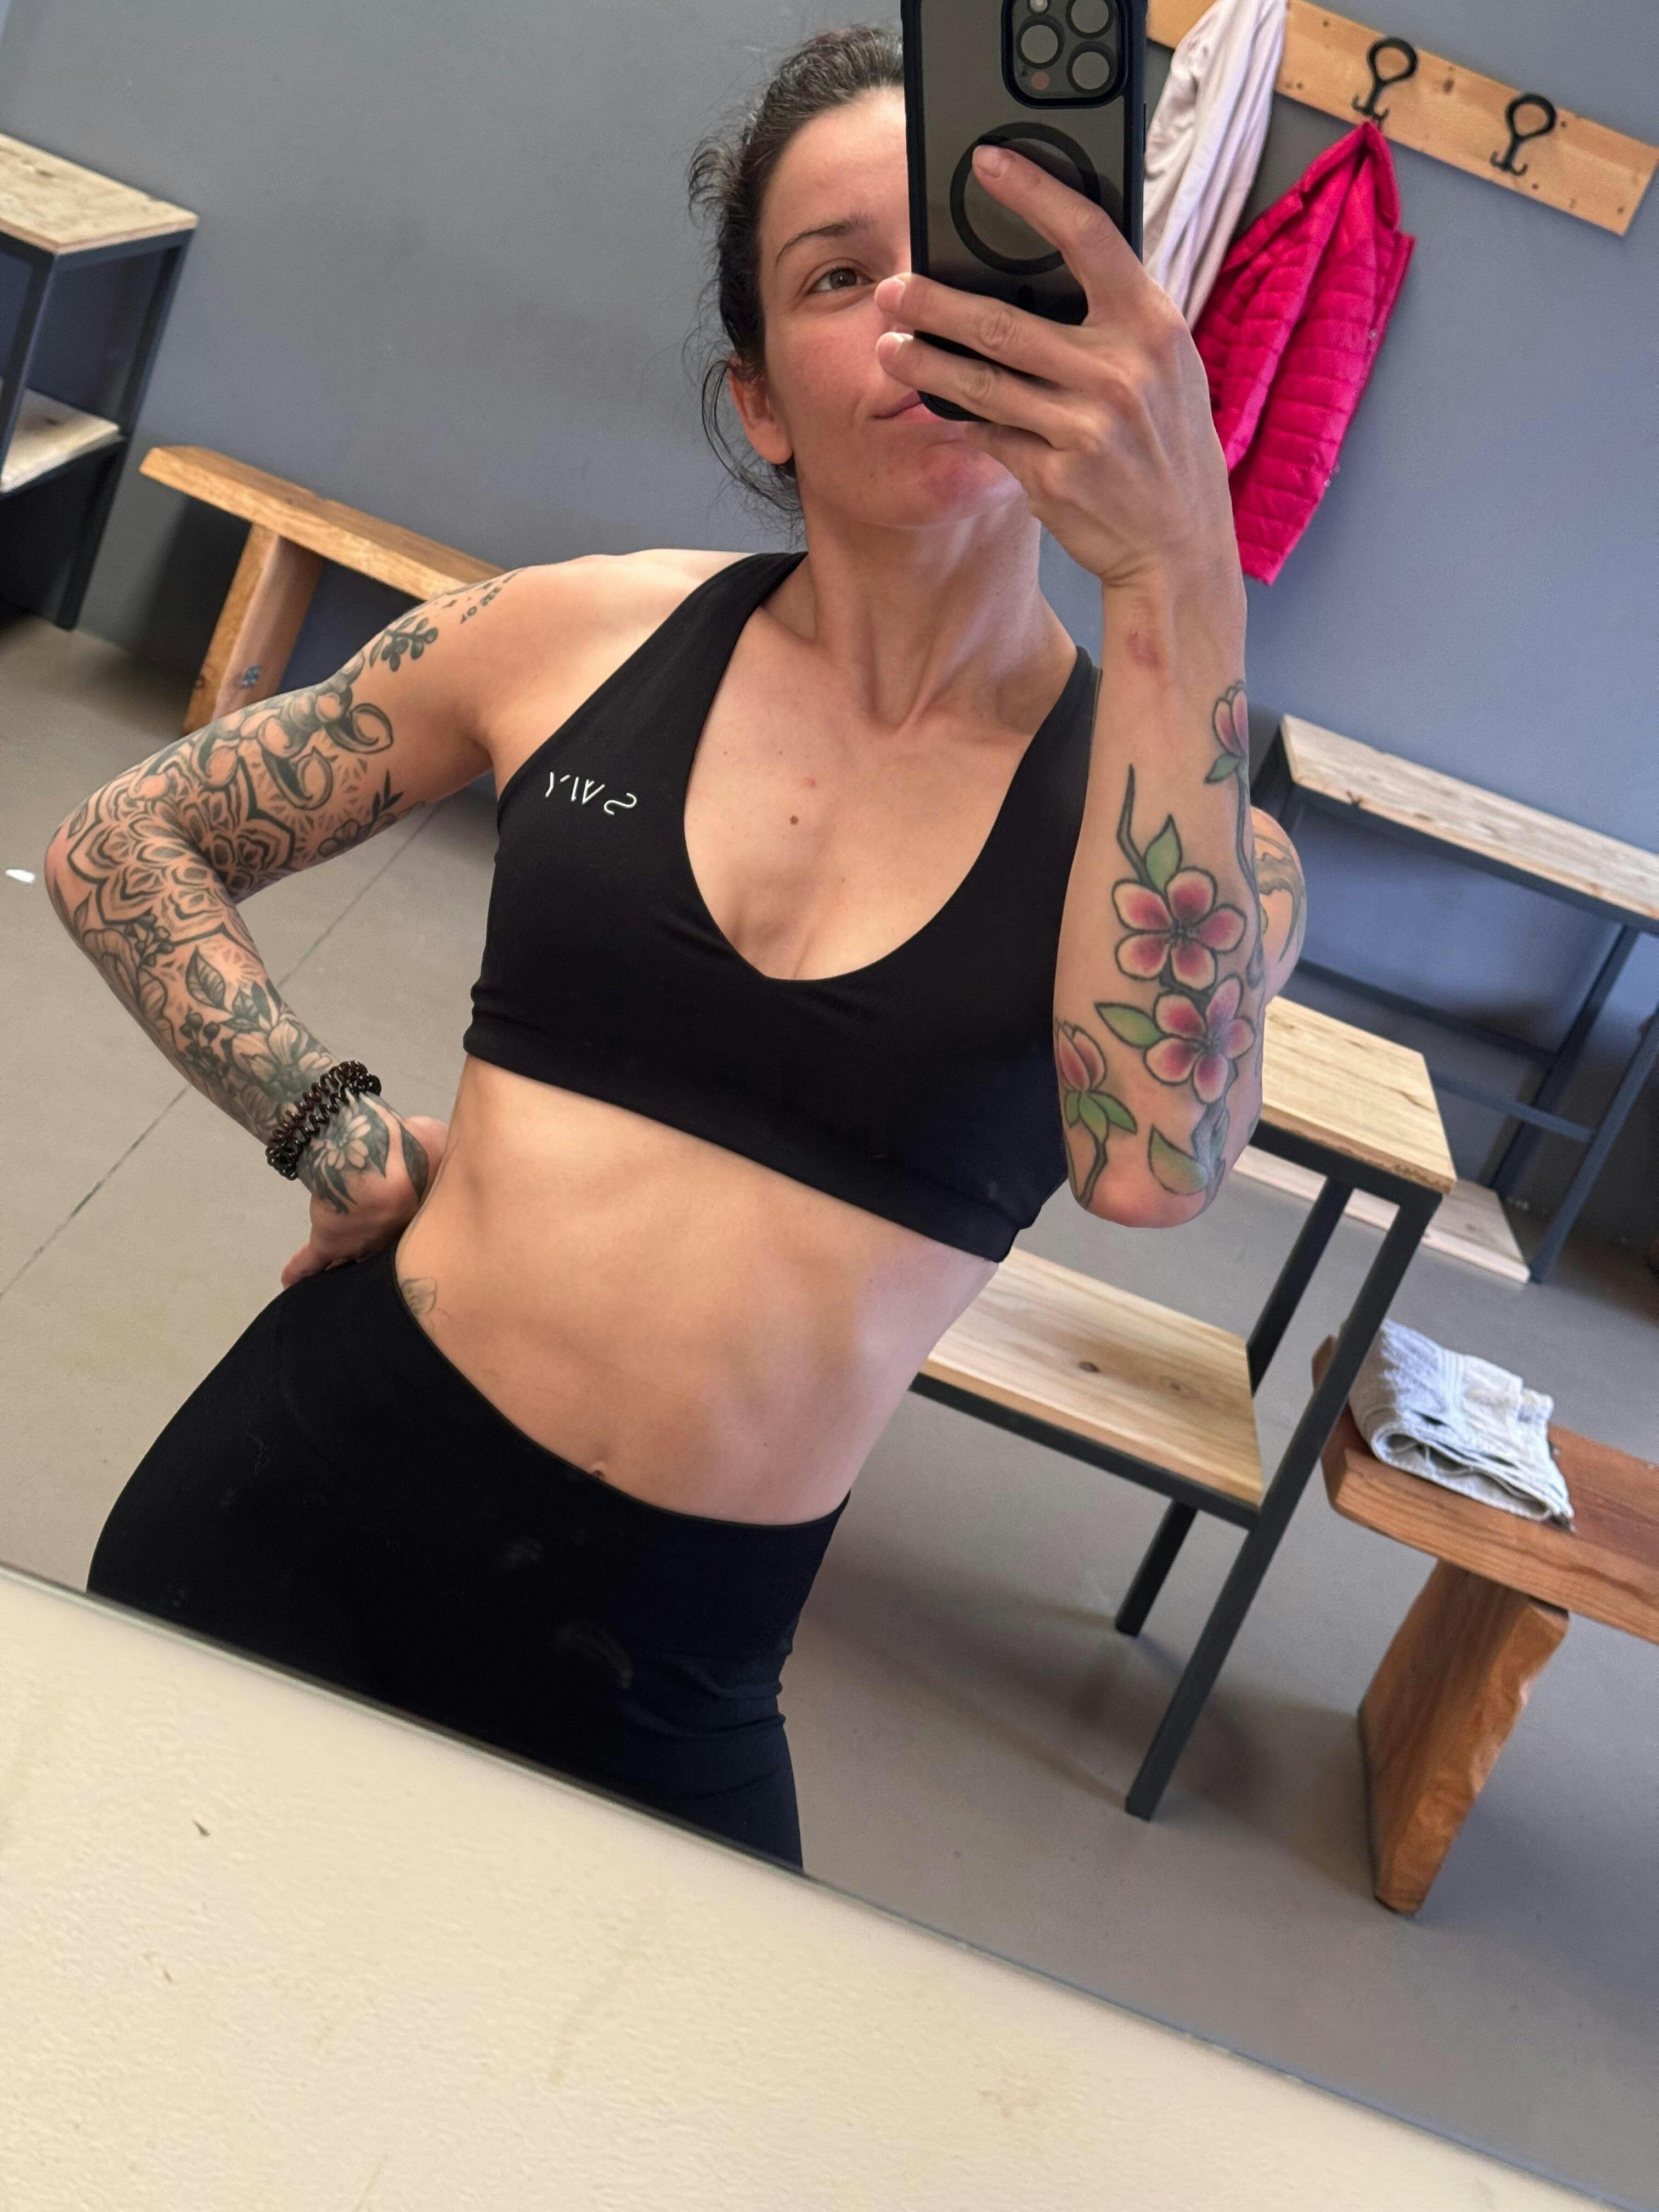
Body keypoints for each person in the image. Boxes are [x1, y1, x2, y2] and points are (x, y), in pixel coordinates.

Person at [46, 25, 1305, 1872]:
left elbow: (1155, 1167)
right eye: (840, 276)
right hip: (289, 1506)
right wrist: (329, 1124)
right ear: (763, 400)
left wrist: (1179, 569)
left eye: (969, 265)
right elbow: (120, 841)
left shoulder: (1188, 841)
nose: (919, 316)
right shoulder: (572, 641)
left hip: (663, 1679)